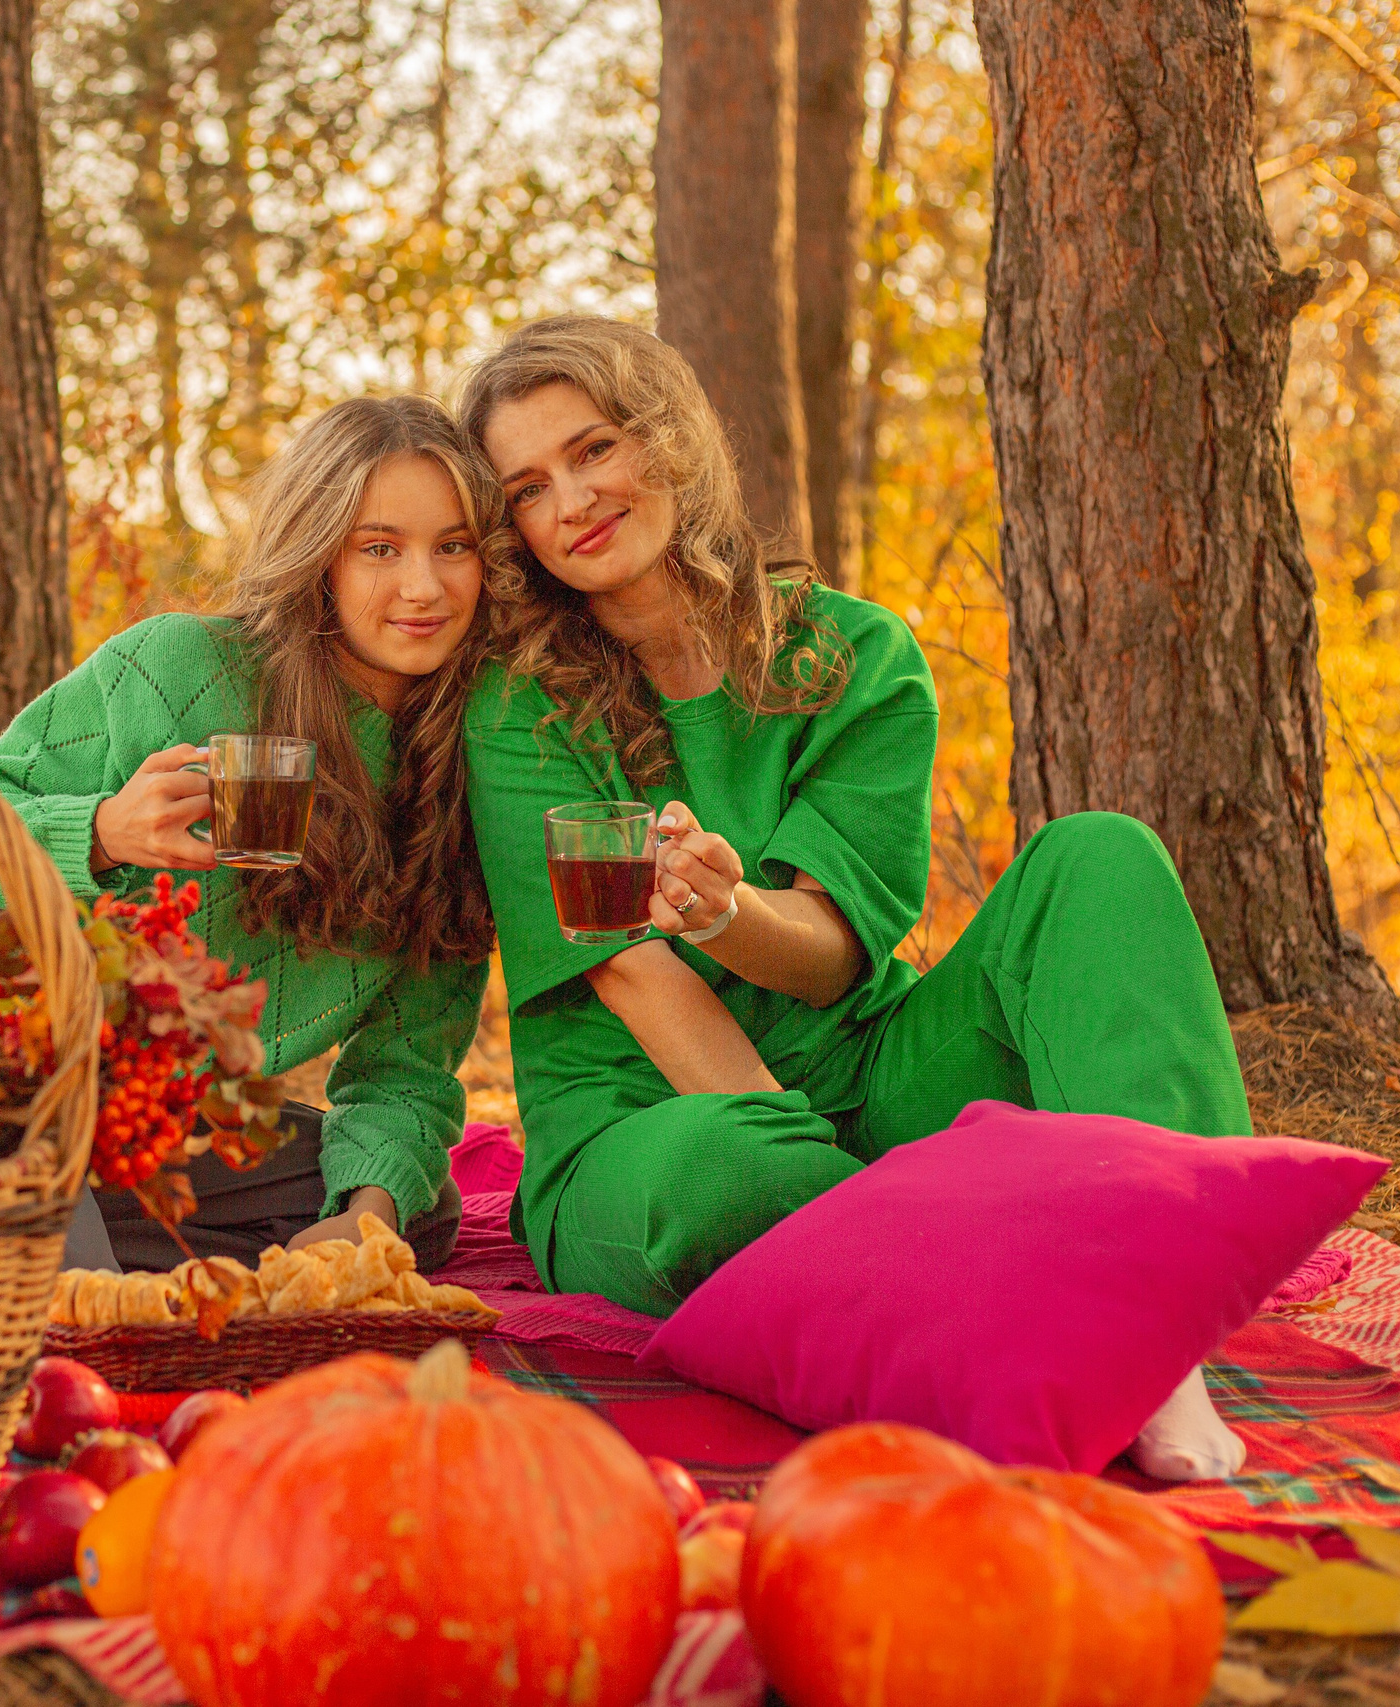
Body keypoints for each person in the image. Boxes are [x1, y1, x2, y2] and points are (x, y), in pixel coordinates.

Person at [455, 314, 1254, 1480]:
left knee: (1099, 856)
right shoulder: (516, 704)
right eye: (527, 487)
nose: (570, 499)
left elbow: (833, 952)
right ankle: (981, 1267)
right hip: (651, 1127)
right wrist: (868, 1207)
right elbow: (631, 968)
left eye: (592, 450)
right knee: (726, 1171)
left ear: (665, 439)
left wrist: (731, 912)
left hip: (872, 1080)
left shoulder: (850, 655)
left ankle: (1159, 1326)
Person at [0, 396, 499, 1271]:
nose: (424, 586)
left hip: (123, 1112)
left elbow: (407, 1067)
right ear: (319, 559)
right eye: (380, 547)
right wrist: (103, 832)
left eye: (451, 546)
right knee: (26, 1193)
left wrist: (366, 1217)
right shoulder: (181, 668)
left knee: (416, 1206)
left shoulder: (467, 777)